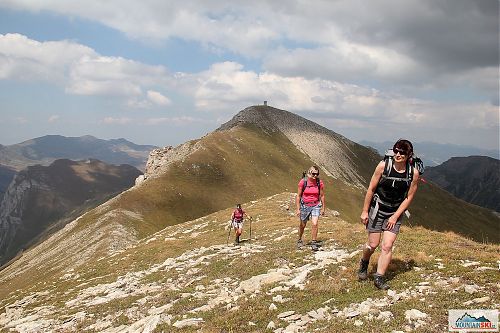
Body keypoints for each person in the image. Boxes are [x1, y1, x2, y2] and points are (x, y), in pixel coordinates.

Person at [358, 139, 420, 289]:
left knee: (387, 246)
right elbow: (371, 189)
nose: (398, 154)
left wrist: (395, 216)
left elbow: (409, 197)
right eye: (396, 151)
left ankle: (379, 277)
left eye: (402, 152)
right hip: (377, 209)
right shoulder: (383, 166)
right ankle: (364, 262)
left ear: (409, 155)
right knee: (373, 245)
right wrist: (365, 211)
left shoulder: (413, 173)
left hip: (395, 212)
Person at [296, 165, 325, 251]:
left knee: (315, 224)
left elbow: (322, 195)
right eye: (313, 174)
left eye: (317, 174)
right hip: (305, 205)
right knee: (302, 225)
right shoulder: (303, 182)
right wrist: (298, 209)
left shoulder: (319, 182)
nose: (315, 176)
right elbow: (298, 196)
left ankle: (314, 242)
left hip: (315, 205)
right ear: (309, 173)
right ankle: (300, 239)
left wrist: (323, 208)